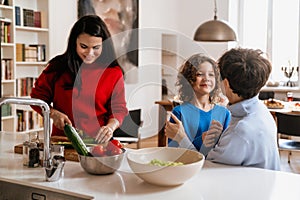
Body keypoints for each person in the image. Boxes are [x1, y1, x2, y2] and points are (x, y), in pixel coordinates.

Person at [30, 15, 128, 144]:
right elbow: (38, 99)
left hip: (98, 143)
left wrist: (110, 127)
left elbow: (118, 109)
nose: (90, 53)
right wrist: (53, 113)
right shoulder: (57, 68)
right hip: (63, 141)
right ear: (74, 43)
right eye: (84, 46)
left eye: (96, 47)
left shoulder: (113, 73)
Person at [206, 48, 281, 171]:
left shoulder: (240, 130)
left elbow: (209, 169)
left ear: (226, 84)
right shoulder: (261, 110)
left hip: (251, 188)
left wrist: (182, 138)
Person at [164, 53, 231, 156]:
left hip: (216, 168)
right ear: (189, 79)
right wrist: (201, 141)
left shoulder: (225, 113)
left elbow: (226, 150)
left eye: (211, 74)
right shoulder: (179, 112)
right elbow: (174, 152)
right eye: (200, 74)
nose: (206, 78)